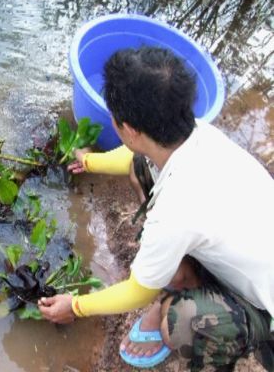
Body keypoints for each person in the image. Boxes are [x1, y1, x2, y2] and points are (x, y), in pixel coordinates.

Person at [38, 47, 274, 371]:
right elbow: (135, 157)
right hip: (245, 247)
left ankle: (200, 320)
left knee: (182, 322)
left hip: (265, 303)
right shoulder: (199, 133)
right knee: (141, 167)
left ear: (130, 130)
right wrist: (89, 161)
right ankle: (185, 276)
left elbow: (137, 291)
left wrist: (76, 306)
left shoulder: (175, 211)